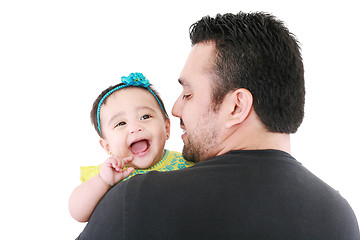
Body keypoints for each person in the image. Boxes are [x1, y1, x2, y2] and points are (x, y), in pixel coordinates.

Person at [76, 12, 360, 239]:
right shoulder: (340, 216)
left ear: (236, 107)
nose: (175, 109)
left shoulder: (138, 200)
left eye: (188, 94)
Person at [69, 72, 194, 222]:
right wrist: (103, 181)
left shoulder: (187, 163)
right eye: (121, 123)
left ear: (166, 128)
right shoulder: (107, 175)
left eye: (145, 117)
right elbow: (77, 213)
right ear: (107, 146)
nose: (135, 127)